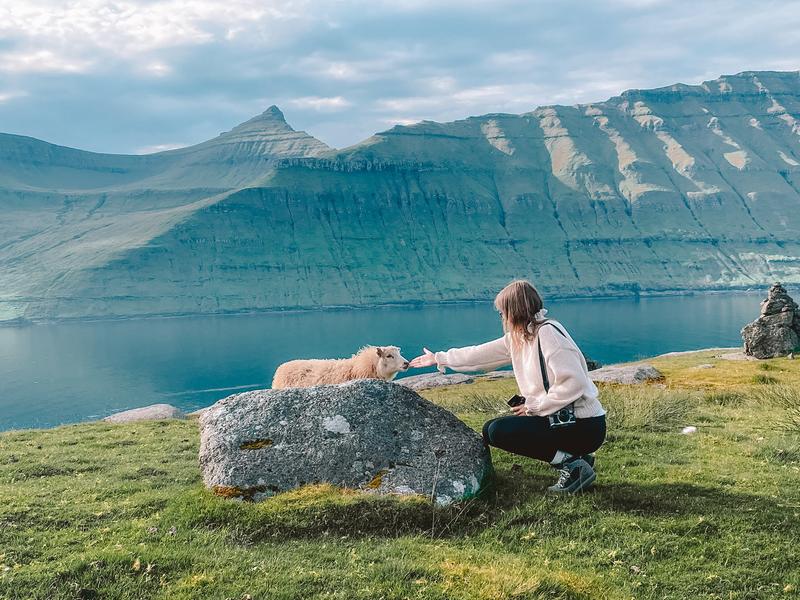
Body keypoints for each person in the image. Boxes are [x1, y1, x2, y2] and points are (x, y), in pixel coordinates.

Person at [409, 280, 606, 494]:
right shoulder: (519, 337)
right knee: (490, 430)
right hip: (560, 420)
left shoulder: (549, 334)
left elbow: (573, 382)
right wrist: (440, 358)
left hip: (584, 425)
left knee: (499, 431)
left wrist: (534, 406)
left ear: (515, 311)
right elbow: (478, 355)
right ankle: (576, 458)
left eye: (503, 312)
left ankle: (572, 466)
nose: (502, 317)